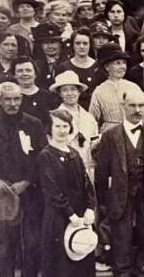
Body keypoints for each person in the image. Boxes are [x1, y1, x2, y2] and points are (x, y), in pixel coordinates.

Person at [95, 88, 144, 277]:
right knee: (121, 238)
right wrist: (105, 202)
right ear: (123, 107)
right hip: (120, 195)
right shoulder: (110, 136)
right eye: (132, 105)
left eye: (141, 105)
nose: (137, 110)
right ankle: (121, 272)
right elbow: (101, 173)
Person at [0, 81, 47, 277]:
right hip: (2, 194)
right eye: (7, 99)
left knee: (31, 242)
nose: (12, 104)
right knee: (6, 243)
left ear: (21, 99)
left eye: (16, 99)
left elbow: (43, 157)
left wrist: (28, 181)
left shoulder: (34, 124)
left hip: (30, 192)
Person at [38, 109, 96, 277]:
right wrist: (70, 214)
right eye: (57, 126)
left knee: (82, 259)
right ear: (50, 128)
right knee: (61, 265)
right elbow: (52, 190)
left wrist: (90, 208)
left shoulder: (74, 154)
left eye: (65, 126)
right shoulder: (46, 156)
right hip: (59, 218)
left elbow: (86, 184)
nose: (62, 130)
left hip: (80, 217)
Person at [50, 71, 99, 177]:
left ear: (79, 91)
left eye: (73, 89)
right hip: (65, 169)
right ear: (59, 93)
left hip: (88, 168)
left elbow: (94, 142)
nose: (70, 93)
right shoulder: (55, 117)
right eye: (65, 90)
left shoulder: (88, 117)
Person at [88, 43, 142, 133]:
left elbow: (143, 114)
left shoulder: (133, 87)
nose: (122, 67)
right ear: (107, 67)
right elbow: (92, 119)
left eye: (124, 63)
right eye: (117, 63)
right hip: (109, 133)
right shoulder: (99, 91)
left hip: (133, 131)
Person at [56, 28, 101, 109]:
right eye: (78, 43)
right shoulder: (63, 67)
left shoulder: (98, 66)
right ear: (72, 45)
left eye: (85, 43)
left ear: (90, 45)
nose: (81, 46)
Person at [12, 56, 59, 128]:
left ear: (35, 74)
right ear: (14, 75)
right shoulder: (11, 98)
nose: (24, 74)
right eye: (20, 71)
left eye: (28, 70)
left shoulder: (49, 96)